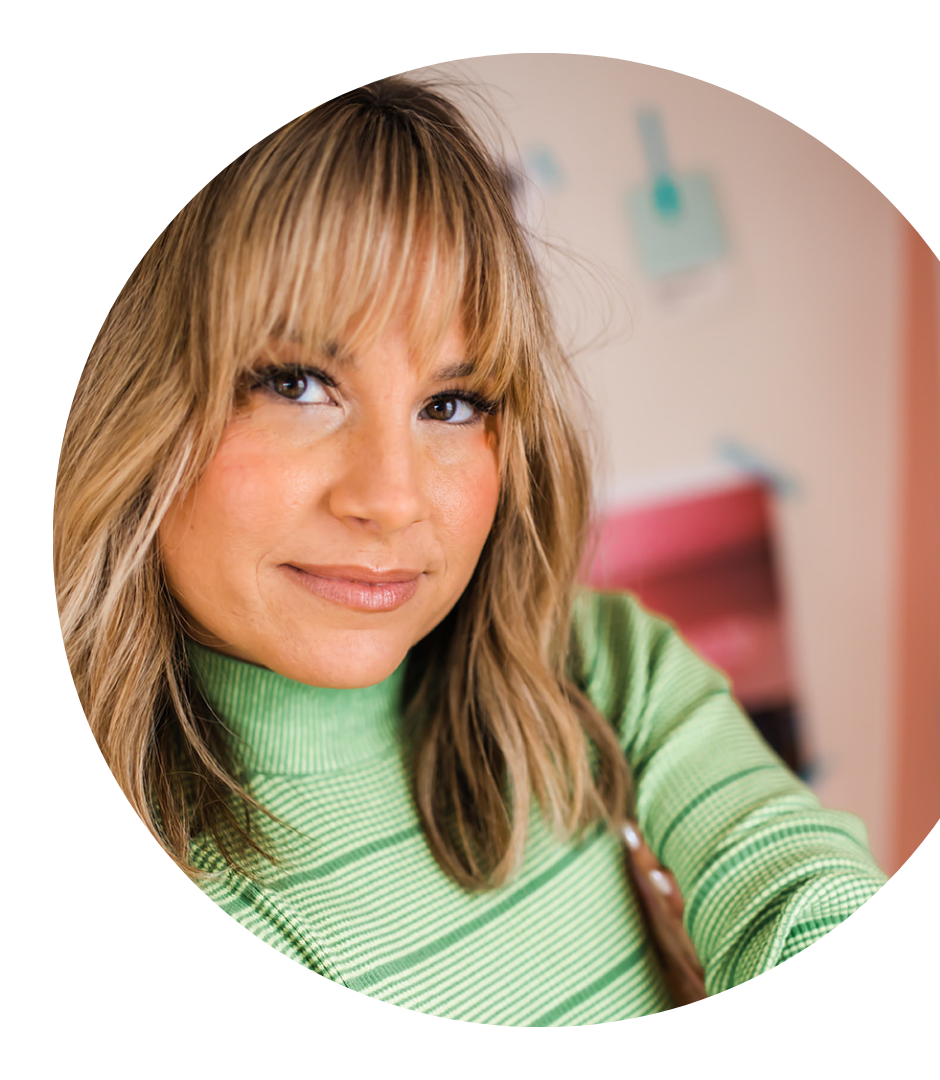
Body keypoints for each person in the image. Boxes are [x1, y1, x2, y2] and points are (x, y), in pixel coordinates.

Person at [54, 75, 888, 1023]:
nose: (392, 497)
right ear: (132, 402)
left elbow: (796, 891)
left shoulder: (593, 665)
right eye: (294, 383)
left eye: (451, 405)